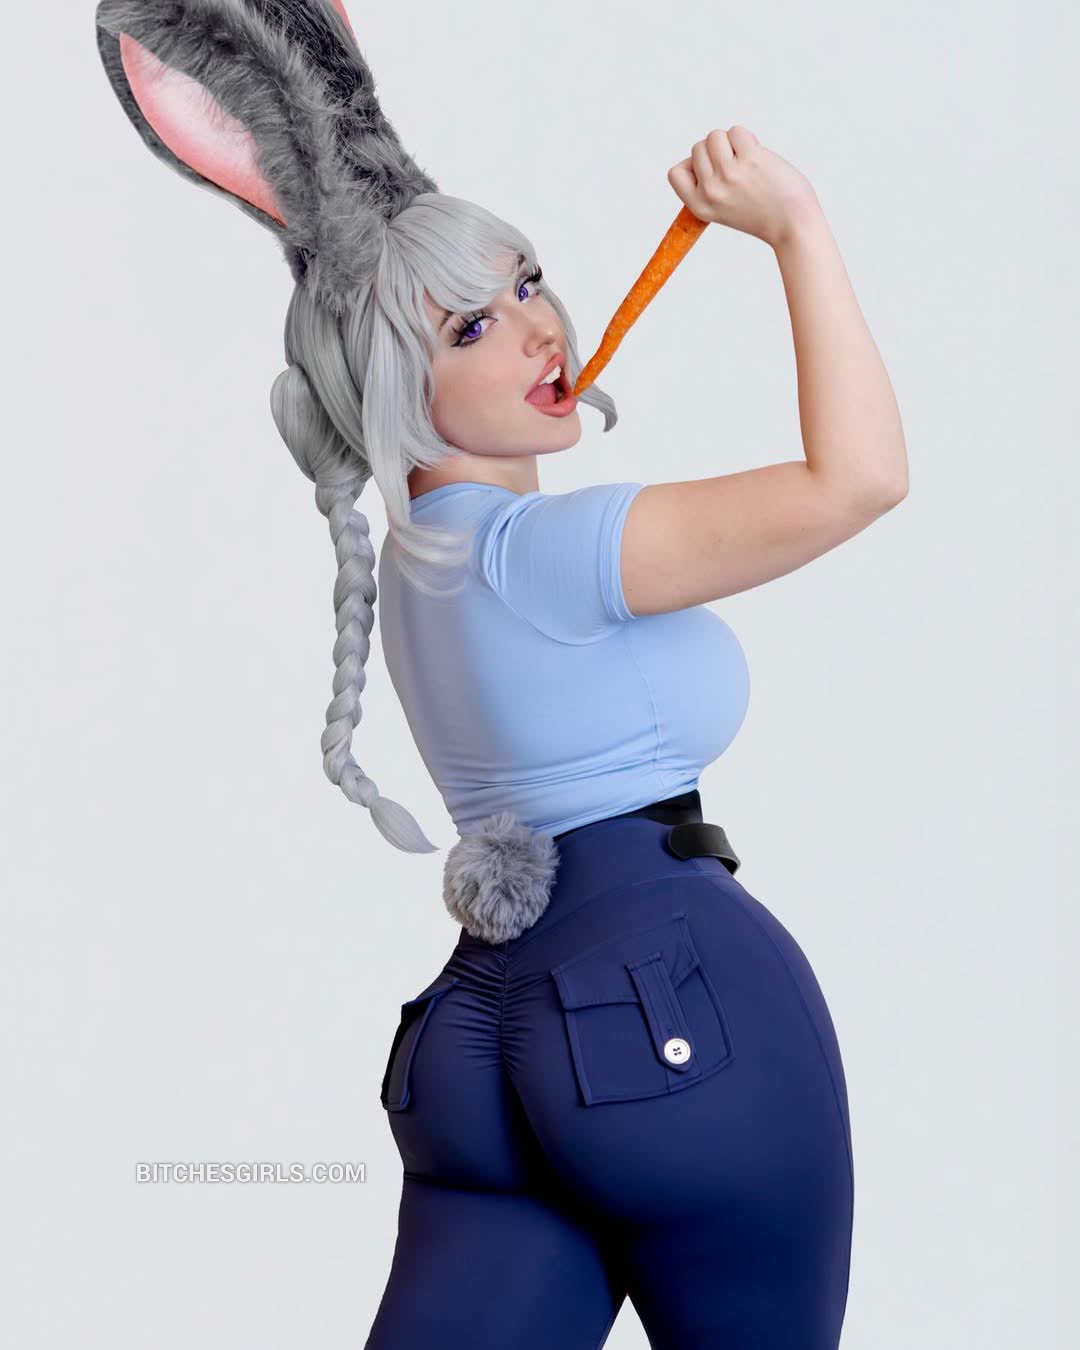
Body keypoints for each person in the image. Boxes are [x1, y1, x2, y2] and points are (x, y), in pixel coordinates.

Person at [94, 3, 908, 1346]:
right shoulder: (549, 552)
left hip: (476, 1044)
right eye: (470, 327)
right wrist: (797, 227)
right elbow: (860, 478)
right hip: (668, 1008)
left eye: (528, 282)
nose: (539, 332)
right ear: (391, 387)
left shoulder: (417, 568)